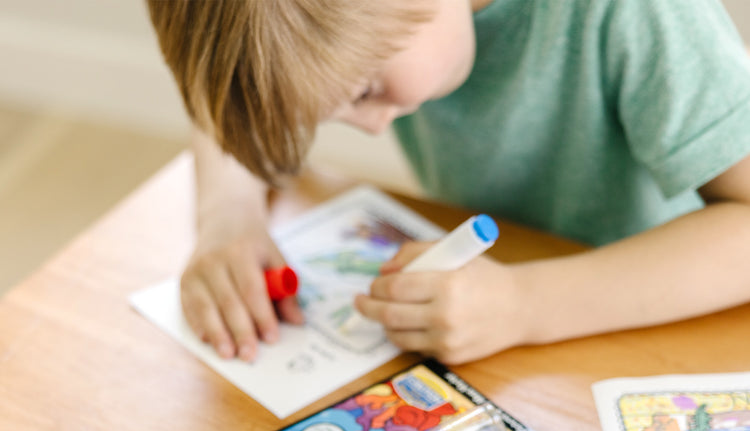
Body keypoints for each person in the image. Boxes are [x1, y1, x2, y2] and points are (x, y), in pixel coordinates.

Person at [146, 0, 750, 365]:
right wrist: (228, 216)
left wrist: (524, 305)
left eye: (362, 92)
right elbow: (227, 105)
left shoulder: (637, 13)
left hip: (660, 318)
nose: (373, 128)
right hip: (508, 291)